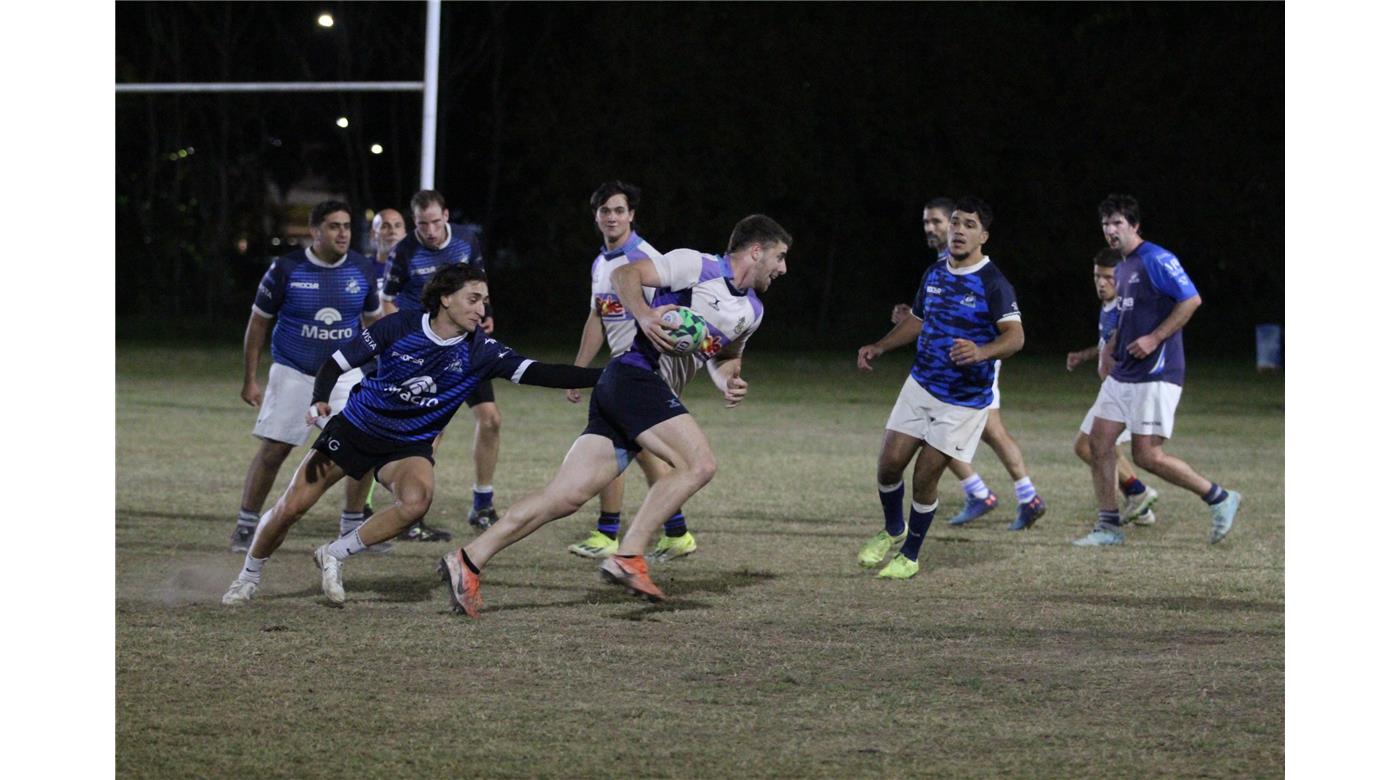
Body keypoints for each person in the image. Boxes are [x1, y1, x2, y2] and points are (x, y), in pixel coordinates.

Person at [438, 215, 792, 618]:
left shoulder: (753, 309)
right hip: (633, 377)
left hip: (630, 391)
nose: (783, 268)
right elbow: (626, 274)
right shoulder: (697, 266)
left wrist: (730, 380)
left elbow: (724, 355)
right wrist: (642, 314)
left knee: (564, 497)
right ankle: (629, 555)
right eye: (780, 257)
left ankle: (467, 560)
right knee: (699, 464)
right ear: (756, 251)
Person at [221, 264, 603, 606]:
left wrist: (605, 376)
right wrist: (321, 399)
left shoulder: (482, 352)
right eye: (473, 299)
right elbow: (335, 363)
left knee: (416, 501)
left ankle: (334, 553)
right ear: (445, 298)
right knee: (291, 508)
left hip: (406, 445)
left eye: (484, 301)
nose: (481, 309)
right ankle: (248, 576)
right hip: (355, 429)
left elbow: (544, 372)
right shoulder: (400, 326)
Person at [856, 197, 1024, 580]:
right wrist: (880, 345)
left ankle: (910, 555)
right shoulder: (934, 273)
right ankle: (893, 528)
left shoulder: (993, 283)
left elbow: (1015, 338)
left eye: (969, 225)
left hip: (963, 401)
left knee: (925, 476)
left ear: (983, 235)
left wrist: (982, 351)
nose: (959, 230)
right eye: (956, 223)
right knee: (888, 466)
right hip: (921, 385)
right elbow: (917, 320)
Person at [1073, 194, 1241, 547]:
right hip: (1124, 373)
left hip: (1157, 372)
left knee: (1146, 455)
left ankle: (1220, 497)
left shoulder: (1157, 259)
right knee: (1097, 442)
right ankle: (1108, 525)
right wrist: (1108, 349)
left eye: (1118, 223)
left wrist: (1154, 337)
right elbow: (1127, 317)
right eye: (1106, 224)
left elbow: (1191, 300)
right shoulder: (1122, 266)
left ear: (1135, 225)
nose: (1110, 230)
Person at [228, 200, 382, 553]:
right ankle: (246, 524)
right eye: (333, 226)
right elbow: (258, 323)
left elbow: (375, 325)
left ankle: (352, 528)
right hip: (294, 371)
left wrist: (382, 369)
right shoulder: (285, 269)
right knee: (275, 450)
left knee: (362, 445)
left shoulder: (361, 269)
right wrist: (250, 378)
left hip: (343, 374)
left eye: (346, 226)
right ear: (315, 232)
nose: (342, 233)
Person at [892, 199, 1046, 531]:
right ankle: (989, 492)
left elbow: (1006, 328)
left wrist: (982, 351)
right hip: (951, 364)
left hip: (975, 360)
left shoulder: (979, 268)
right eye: (926, 222)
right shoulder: (940, 262)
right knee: (959, 430)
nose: (931, 228)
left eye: (937, 221)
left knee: (981, 429)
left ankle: (1020, 494)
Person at [564, 181, 698, 563]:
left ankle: (612, 533)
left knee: (617, 447)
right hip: (621, 371)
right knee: (633, 451)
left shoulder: (646, 261)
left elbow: (676, 315)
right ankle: (674, 532)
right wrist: (578, 370)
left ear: (632, 215)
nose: (612, 217)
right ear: (596, 216)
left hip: (644, 370)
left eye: (619, 210)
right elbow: (597, 317)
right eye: (605, 211)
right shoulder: (601, 263)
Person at [382, 190, 497, 540]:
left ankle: (482, 504)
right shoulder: (403, 251)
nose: (430, 230)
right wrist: (407, 341)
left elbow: (478, 283)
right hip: (428, 353)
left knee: (491, 419)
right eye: (422, 224)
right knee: (430, 433)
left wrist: (485, 313)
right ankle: (411, 513)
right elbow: (387, 301)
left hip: (465, 345)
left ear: (446, 215)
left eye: (435, 221)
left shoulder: (466, 240)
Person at [1066, 247, 1159, 525]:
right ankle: (1141, 507)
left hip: (1125, 390)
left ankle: (1139, 493)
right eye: (1097, 276)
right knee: (1104, 448)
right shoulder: (1108, 306)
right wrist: (1084, 355)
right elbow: (1106, 344)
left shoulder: (1126, 308)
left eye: (1108, 277)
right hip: (1113, 390)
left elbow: (1131, 344)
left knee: (1088, 446)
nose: (1102, 282)